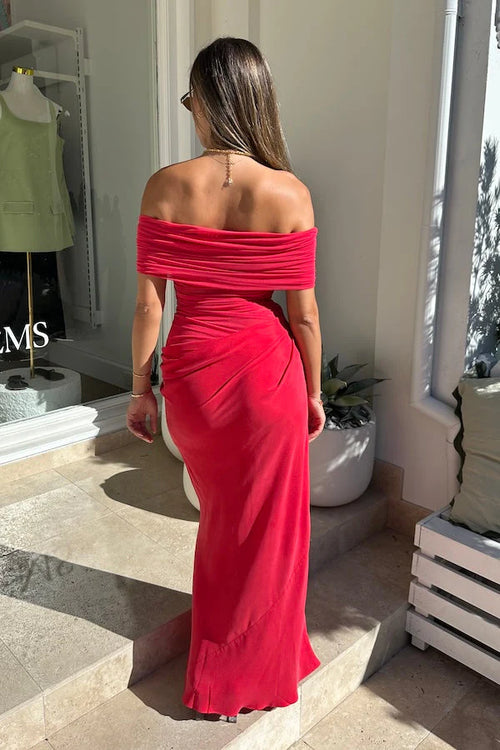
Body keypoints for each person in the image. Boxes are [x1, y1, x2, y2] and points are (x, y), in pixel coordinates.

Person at [127, 36, 325, 723]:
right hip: (268, 379)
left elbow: (149, 306)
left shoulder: (164, 185)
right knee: (268, 536)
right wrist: (313, 393)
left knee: (221, 526)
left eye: (193, 101)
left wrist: (140, 390)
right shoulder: (291, 193)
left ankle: (225, 668)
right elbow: (304, 317)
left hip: (192, 377)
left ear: (208, 103)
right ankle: (253, 669)